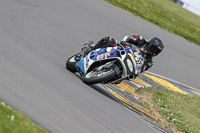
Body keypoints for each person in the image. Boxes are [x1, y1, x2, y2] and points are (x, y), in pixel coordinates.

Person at [82, 35, 164, 72]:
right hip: (120, 50)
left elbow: (140, 69)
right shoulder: (141, 40)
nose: (154, 52)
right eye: (154, 49)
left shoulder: (150, 62)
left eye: (157, 52)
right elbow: (127, 38)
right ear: (151, 44)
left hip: (127, 65)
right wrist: (124, 43)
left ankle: (107, 74)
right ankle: (90, 49)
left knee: (119, 80)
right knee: (109, 40)